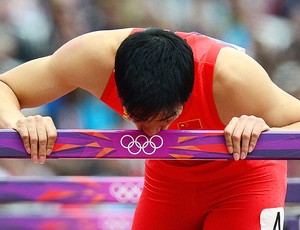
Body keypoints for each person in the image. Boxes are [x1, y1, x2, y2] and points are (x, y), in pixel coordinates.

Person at [0, 27, 300, 229]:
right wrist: (20, 124)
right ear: (116, 83)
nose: (154, 135)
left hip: (245, 179)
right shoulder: (91, 58)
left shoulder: (232, 77)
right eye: (138, 121)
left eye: (166, 121)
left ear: (187, 93)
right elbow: (6, 87)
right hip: (168, 178)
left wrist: (265, 131)